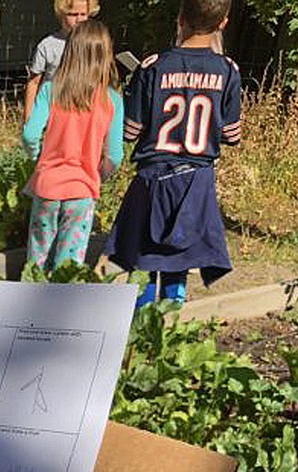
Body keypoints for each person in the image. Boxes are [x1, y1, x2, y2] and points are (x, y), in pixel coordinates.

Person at [103, 0, 241, 307]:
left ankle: (139, 329)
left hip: (153, 179)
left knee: (144, 260)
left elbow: (130, 132)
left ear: (180, 18)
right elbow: (232, 135)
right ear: (223, 23)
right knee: (181, 256)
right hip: (197, 180)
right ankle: (171, 326)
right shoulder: (228, 71)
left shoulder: (153, 66)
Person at [21, 19, 124, 272]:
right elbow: (115, 155)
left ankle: (31, 306)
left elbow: (30, 134)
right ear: (105, 56)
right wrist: (97, 176)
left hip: (47, 185)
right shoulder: (112, 99)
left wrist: (38, 159)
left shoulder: (49, 90)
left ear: (69, 51)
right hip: (82, 189)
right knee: (69, 265)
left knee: (36, 260)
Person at [24, 0, 98, 122]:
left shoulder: (94, 45)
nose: (79, 20)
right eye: (73, 15)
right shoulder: (48, 45)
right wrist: (29, 118)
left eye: (83, 14)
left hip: (83, 115)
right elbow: (34, 83)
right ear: (62, 14)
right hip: (53, 111)